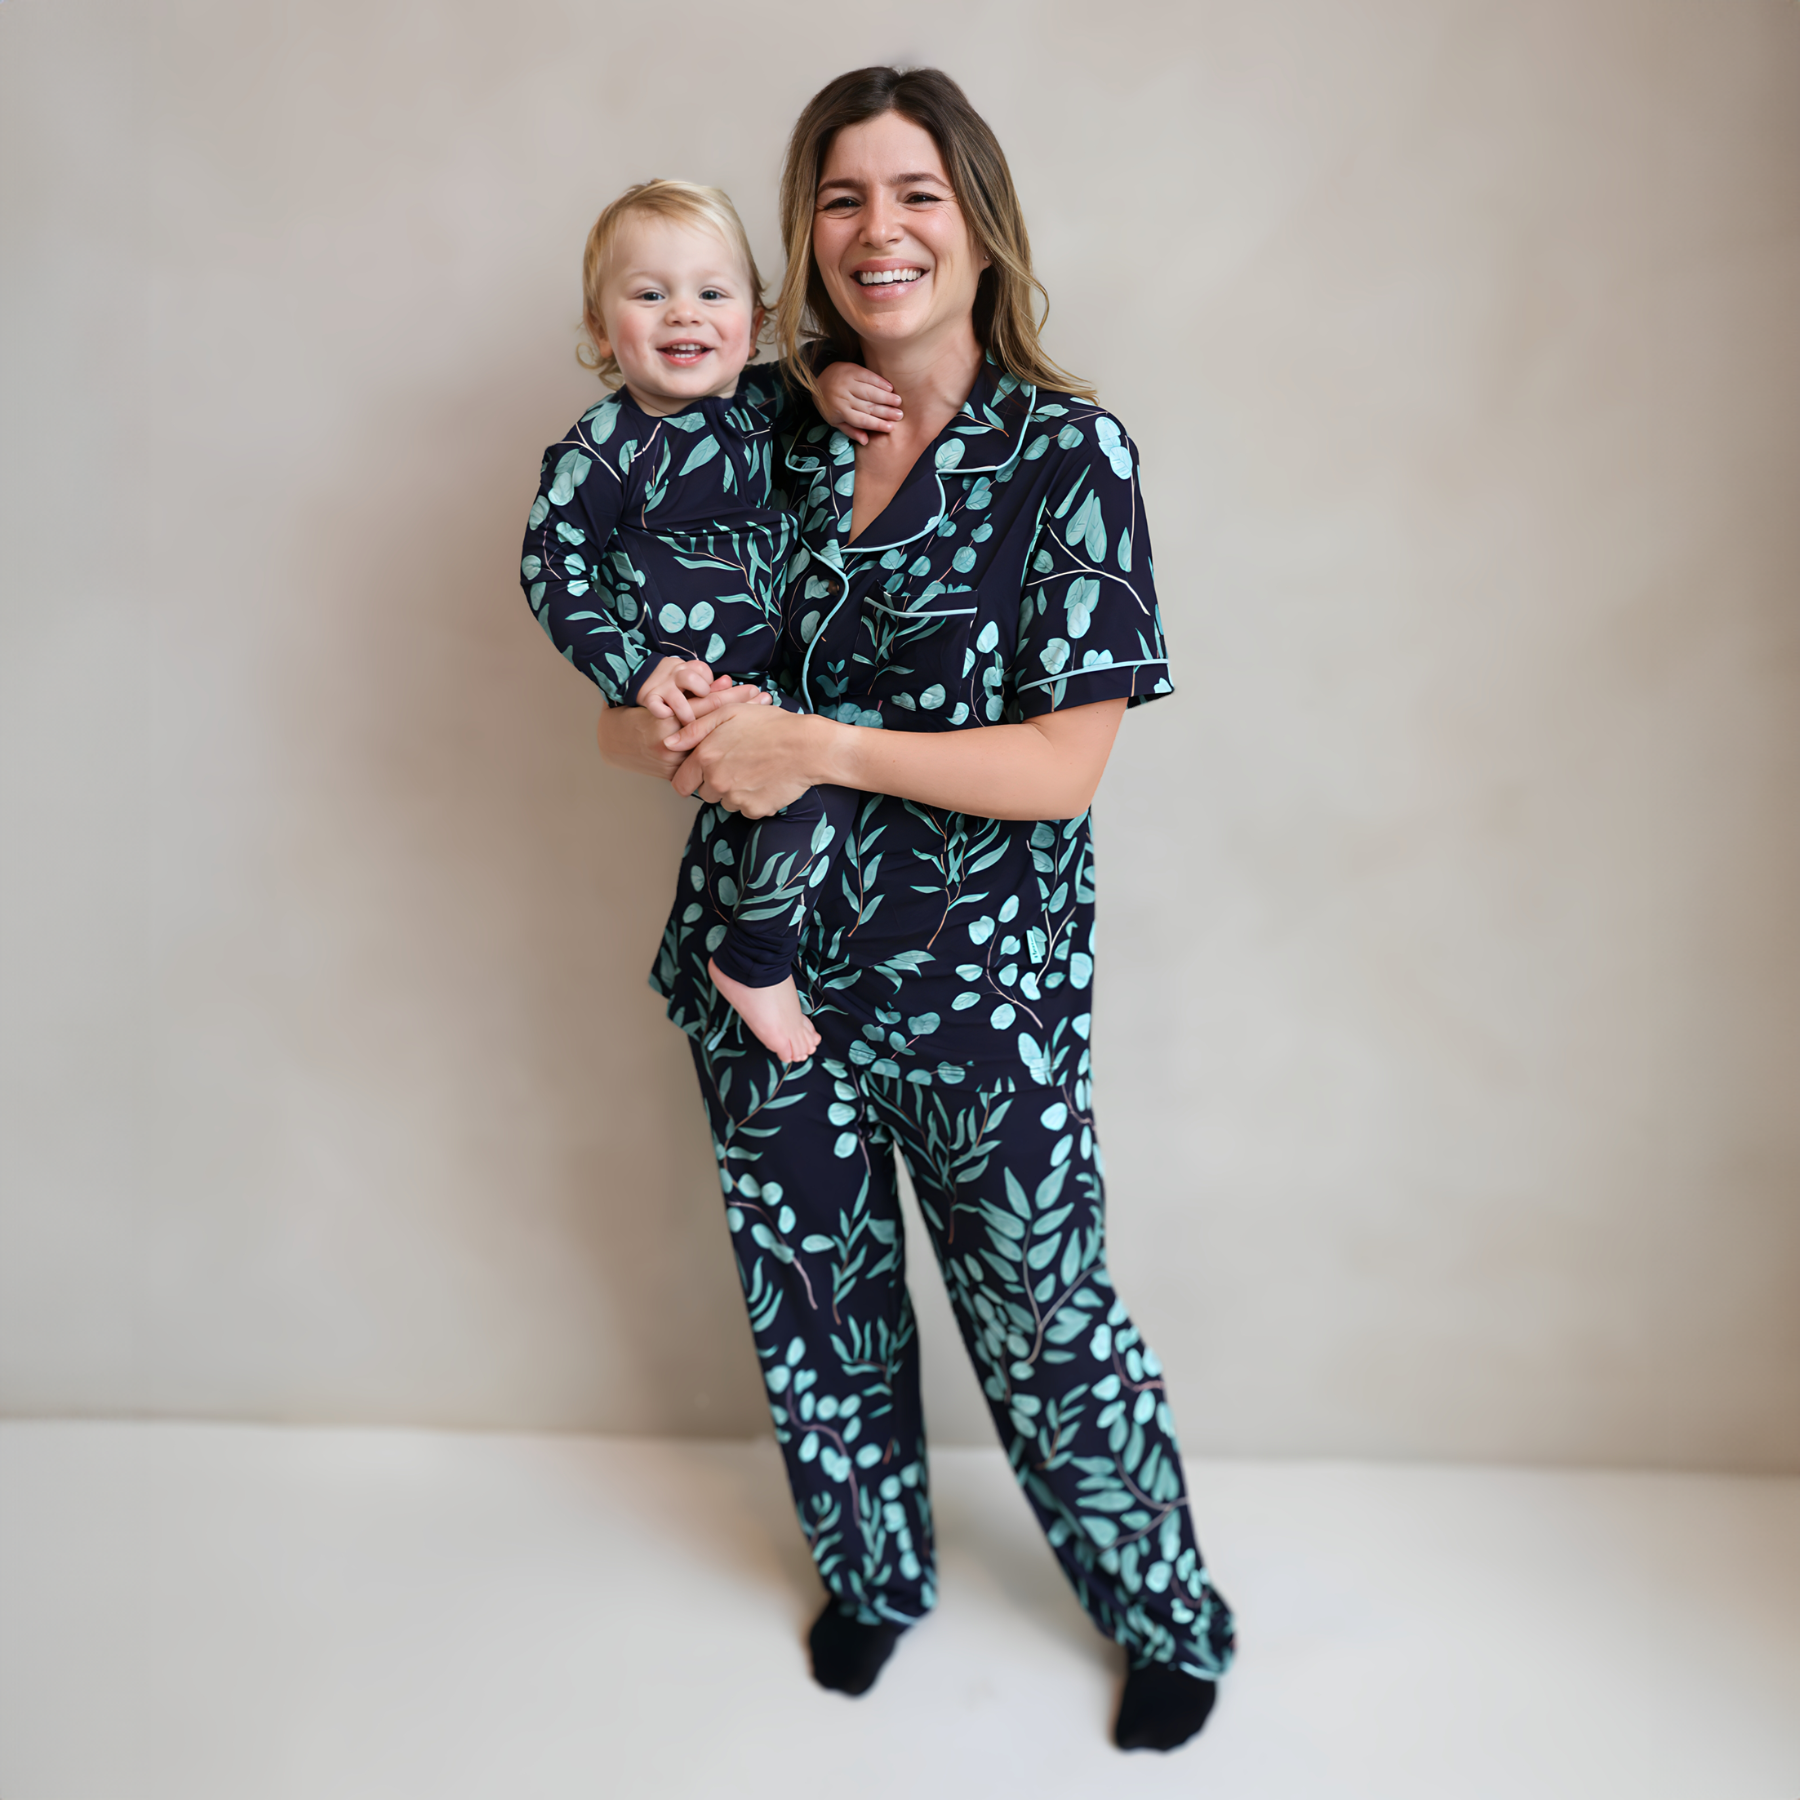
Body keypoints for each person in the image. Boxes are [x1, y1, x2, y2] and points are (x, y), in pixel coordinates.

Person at [596, 68, 1237, 1753]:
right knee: (814, 1303)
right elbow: (628, 702)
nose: (877, 229)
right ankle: (874, 1576)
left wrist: (817, 745)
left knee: (1047, 1318)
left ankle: (1163, 1612)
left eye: (915, 192)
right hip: (762, 973)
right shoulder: (766, 435)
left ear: (980, 223)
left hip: (979, 993)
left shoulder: (1068, 455)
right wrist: (670, 725)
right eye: (840, 197)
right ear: (807, 235)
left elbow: (1063, 769)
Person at [523, 178, 882, 1062]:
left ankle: (766, 947)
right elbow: (550, 568)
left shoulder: (761, 403)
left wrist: (831, 380)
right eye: (650, 294)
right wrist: (634, 671)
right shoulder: (603, 448)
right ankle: (753, 963)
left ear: (753, 323)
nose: (683, 312)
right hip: (688, 684)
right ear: (600, 327)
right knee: (814, 793)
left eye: (711, 293)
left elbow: (807, 380)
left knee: (824, 788)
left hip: (770, 679)